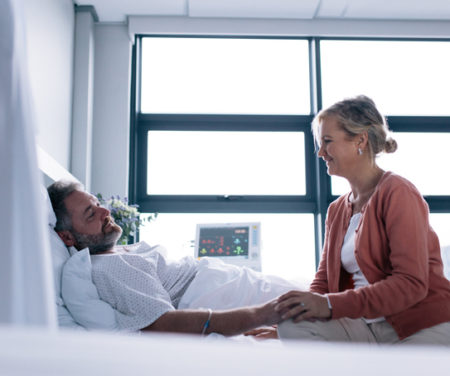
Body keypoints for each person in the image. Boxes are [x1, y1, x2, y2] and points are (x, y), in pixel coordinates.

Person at [275, 95, 450, 345]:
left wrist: (328, 305)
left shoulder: (398, 192)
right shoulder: (337, 210)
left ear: (360, 140)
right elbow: (323, 282)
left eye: (327, 142)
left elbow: (411, 283)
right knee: (292, 324)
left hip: (418, 324)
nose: (320, 152)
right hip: (367, 326)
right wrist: (302, 308)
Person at [48, 180, 299, 337]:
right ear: (68, 237)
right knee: (319, 305)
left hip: (224, 282)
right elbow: (162, 322)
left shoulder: (117, 254)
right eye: (91, 214)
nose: (105, 211)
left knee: (320, 300)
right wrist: (261, 315)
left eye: (98, 203)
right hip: (214, 291)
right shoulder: (107, 267)